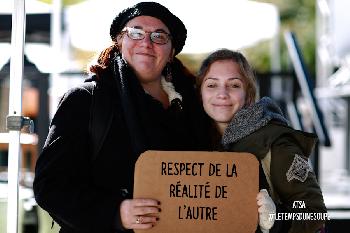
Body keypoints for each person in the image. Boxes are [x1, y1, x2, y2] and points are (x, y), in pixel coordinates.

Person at [33, 2, 209, 233]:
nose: (146, 43)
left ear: (171, 52)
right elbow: (50, 186)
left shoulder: (196, 106)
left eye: (159, 36)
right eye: (135, 33)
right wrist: (116, 213)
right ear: (119, 41)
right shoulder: (86, 100)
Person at [197, 49, 327, 233]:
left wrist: (276, 218)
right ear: (200, 93)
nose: (222, 94)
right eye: (211, 85)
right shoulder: (191, 141)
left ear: (249, 94)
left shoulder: (276, 143)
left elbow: (315, 215)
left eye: (234, 85)